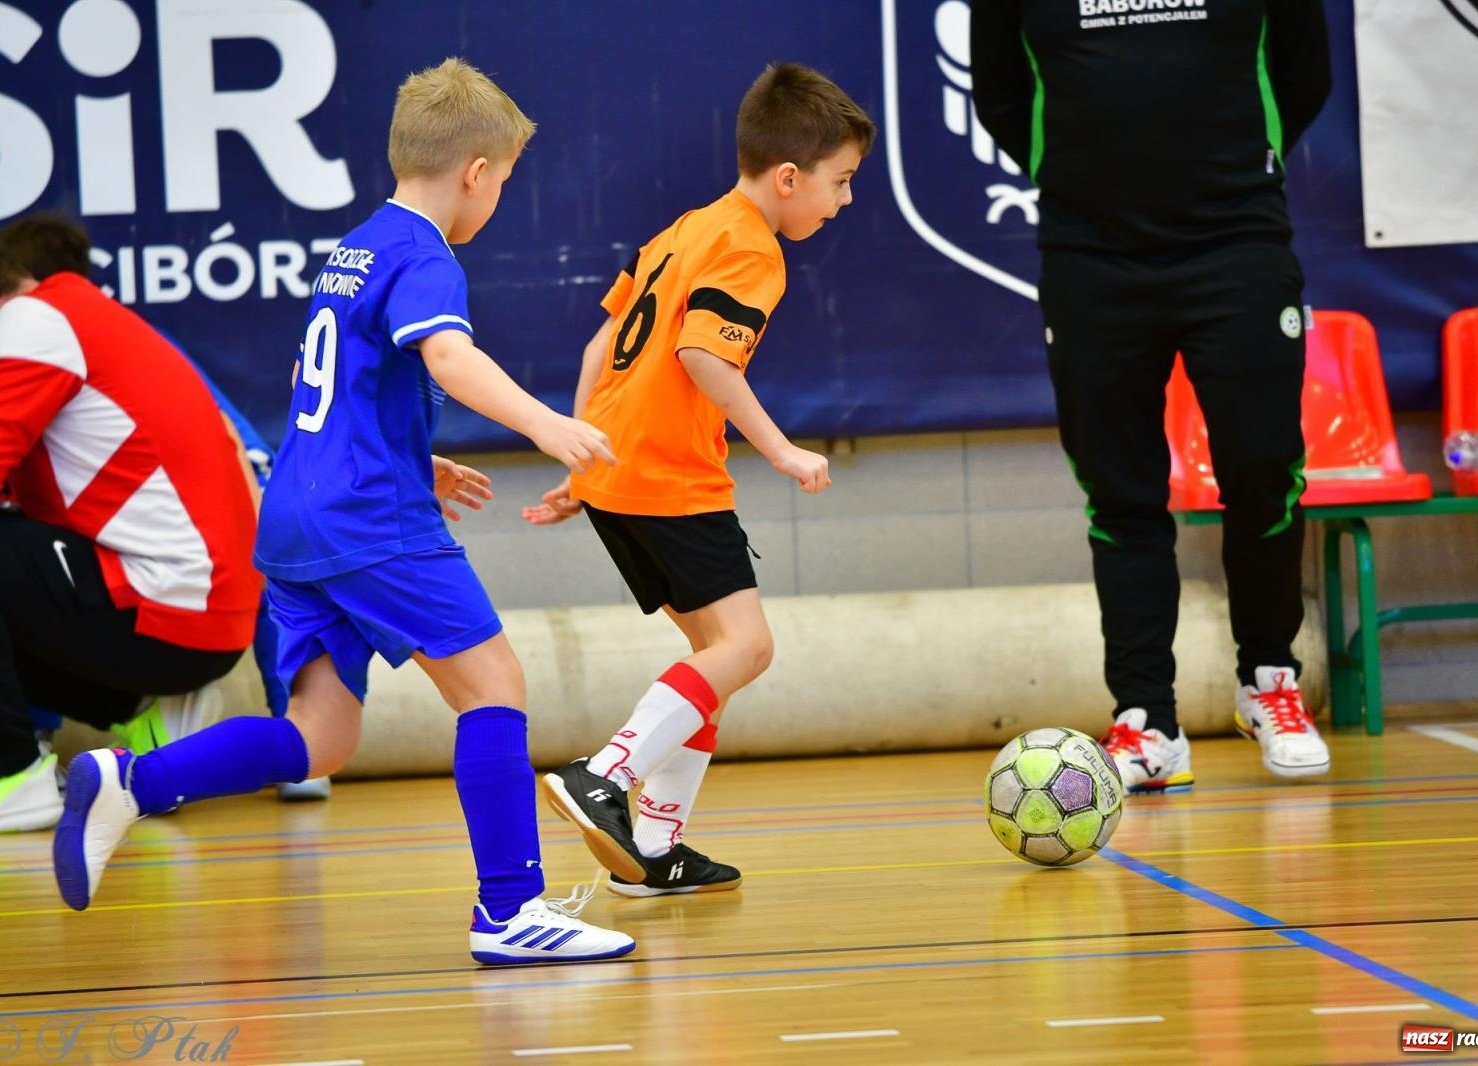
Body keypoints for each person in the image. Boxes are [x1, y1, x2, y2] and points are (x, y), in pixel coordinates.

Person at [52, 57, 636, 965]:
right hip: (370, 521)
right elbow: (445, 358)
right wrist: (546, 425)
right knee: (495, 687)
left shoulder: (355, 247)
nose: (498, 200)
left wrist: (415, 453)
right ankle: (511, 911)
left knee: (321, 738)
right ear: (476, 172)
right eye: (505, 182)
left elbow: (317, 383)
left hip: (296, 514)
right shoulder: (425, 256)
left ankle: (130, 780)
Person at [522, 63, 876, 895]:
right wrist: (784, 450)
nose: (845, 201)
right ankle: (602, 775)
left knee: (712, 656)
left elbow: (595, 350)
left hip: (613, 472)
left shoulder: (687, 228)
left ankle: (653, 849)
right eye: (842, 182)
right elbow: (701, 355)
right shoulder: (753, 249)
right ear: (788, 177)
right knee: (747, 647)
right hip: (670, 478)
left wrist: (579, 458)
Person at [969, 1, 1334, 790]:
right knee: (1121, 492)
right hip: (1092, 259)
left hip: (1236, 245)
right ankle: (1148, 722)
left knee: (1264, 470)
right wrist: (1080, 180)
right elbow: (999, 94)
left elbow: (1306, 72)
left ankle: (1269, 679)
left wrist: (1235, 166)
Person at [0, 213, 331, 802]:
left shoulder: (38, 340)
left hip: (184, 552)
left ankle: (34, 740)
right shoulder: (131, 335)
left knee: (13, 560)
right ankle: (293, 739)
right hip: (215, 536)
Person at [0, 225, 262, 835]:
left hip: (173, 614)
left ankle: (7, 775)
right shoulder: (77, 315)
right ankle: (141, 715)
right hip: (203, 613)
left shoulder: (31, 325)